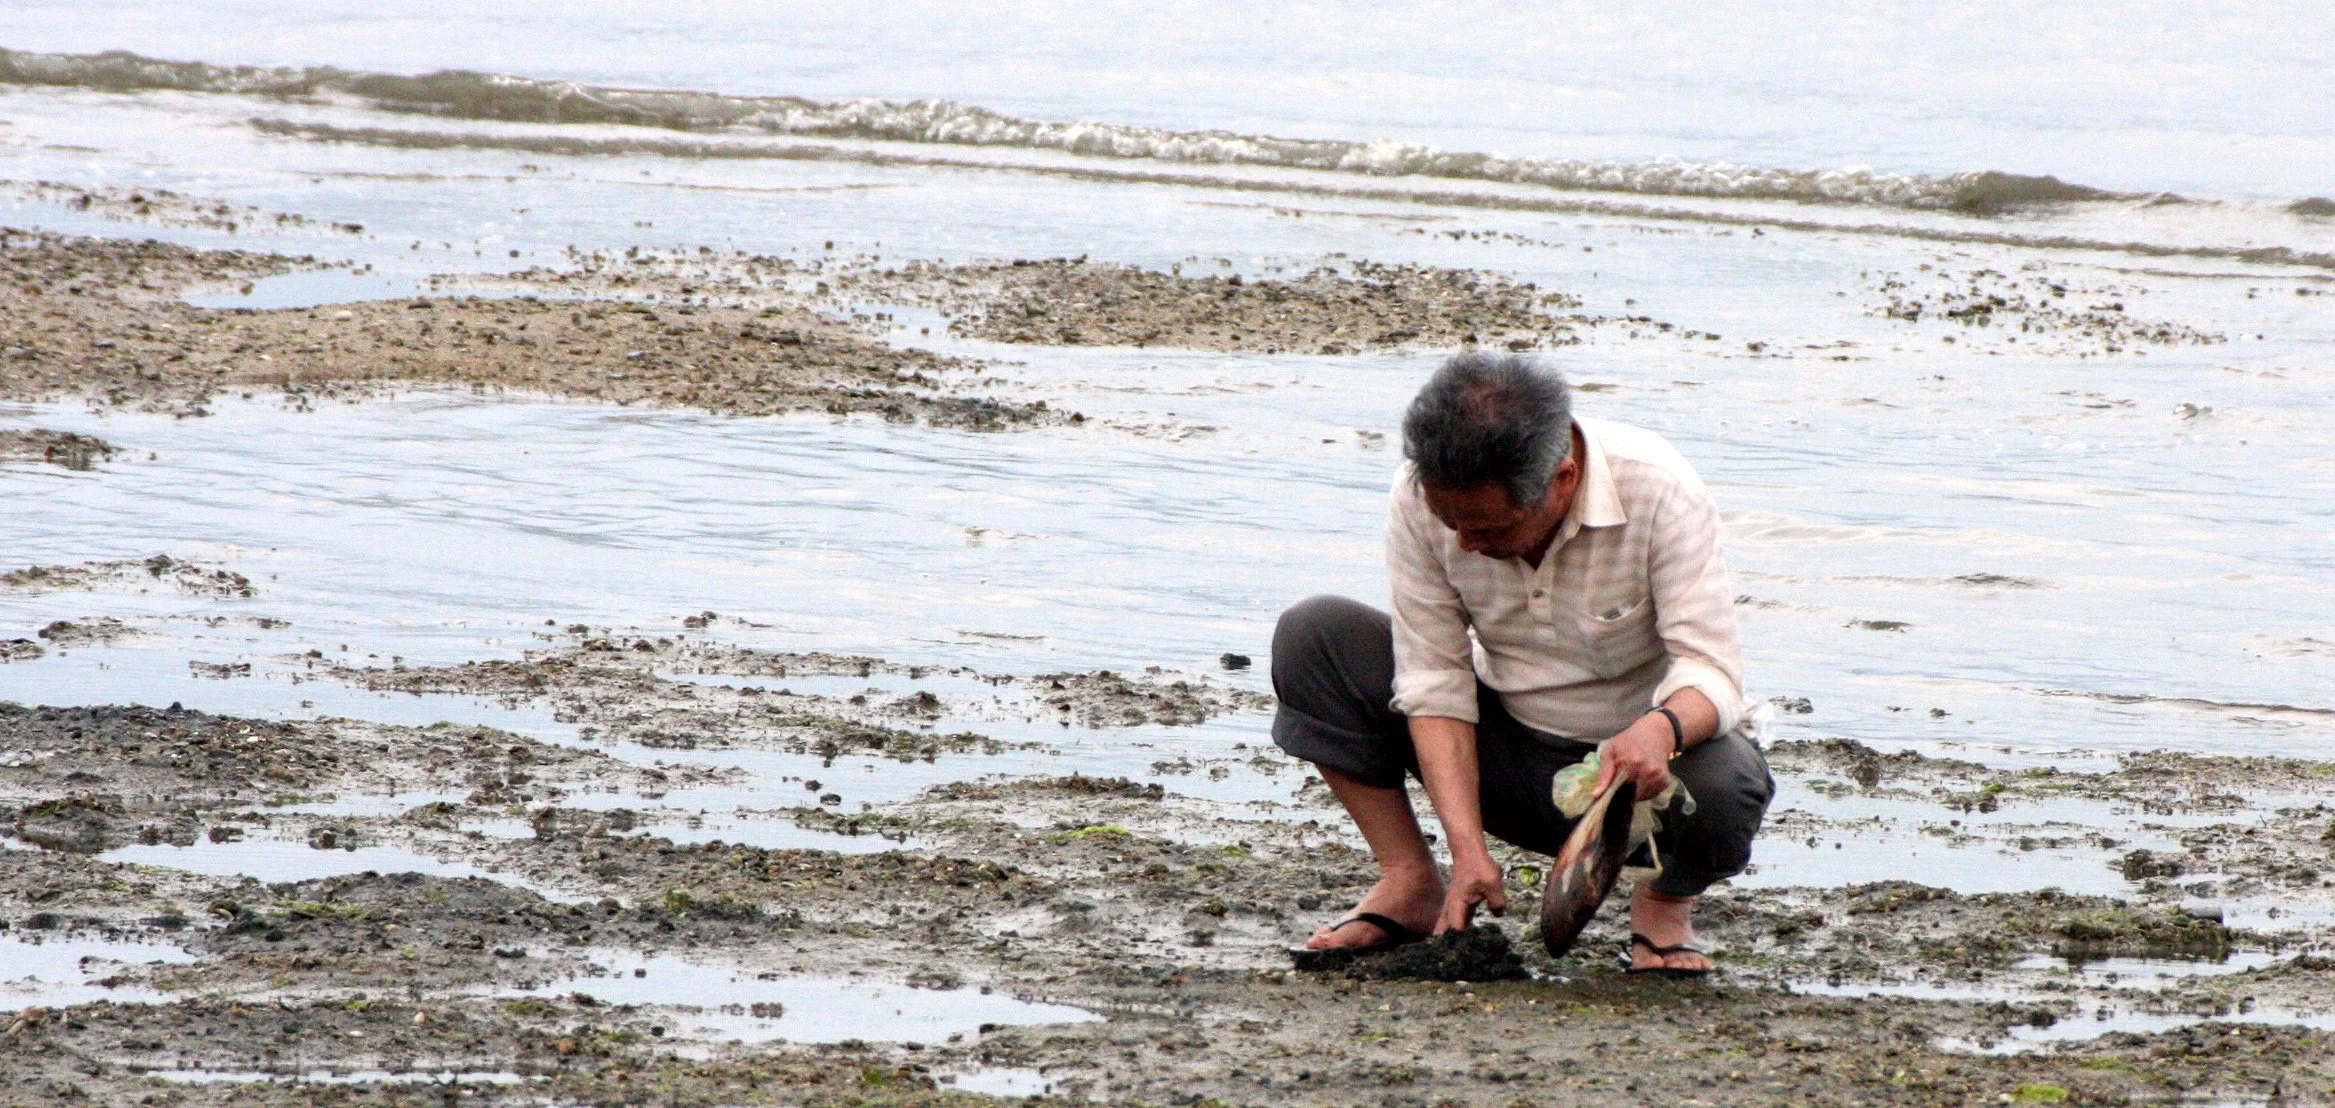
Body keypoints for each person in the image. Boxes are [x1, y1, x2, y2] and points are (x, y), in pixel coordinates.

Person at [1272, 351, 1773, 976]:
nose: (1465, 542)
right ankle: (1408, 882)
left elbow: (1712, 670)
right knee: (1315, 635)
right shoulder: (1422, 497)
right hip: (1506, 762)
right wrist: (1468, 852)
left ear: (1562, 481)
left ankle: (1663, 910)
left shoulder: (1658, 487)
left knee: (1729, 781)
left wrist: (1656, 732)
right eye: (1449, 520)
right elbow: (1434, 680)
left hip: (1635, 786)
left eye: (1486, 525)